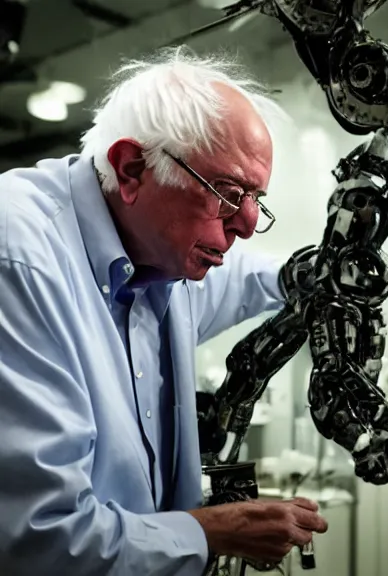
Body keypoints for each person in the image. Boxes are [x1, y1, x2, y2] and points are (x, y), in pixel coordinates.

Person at [0, 47, 328, 575]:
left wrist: (324, 270)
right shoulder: (20, 260)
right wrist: (213, 531)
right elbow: (41, 541)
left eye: (254, 200)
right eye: (228, 193)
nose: (245, 224)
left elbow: (249, 276)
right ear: (131, 169)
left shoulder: (161, 261)